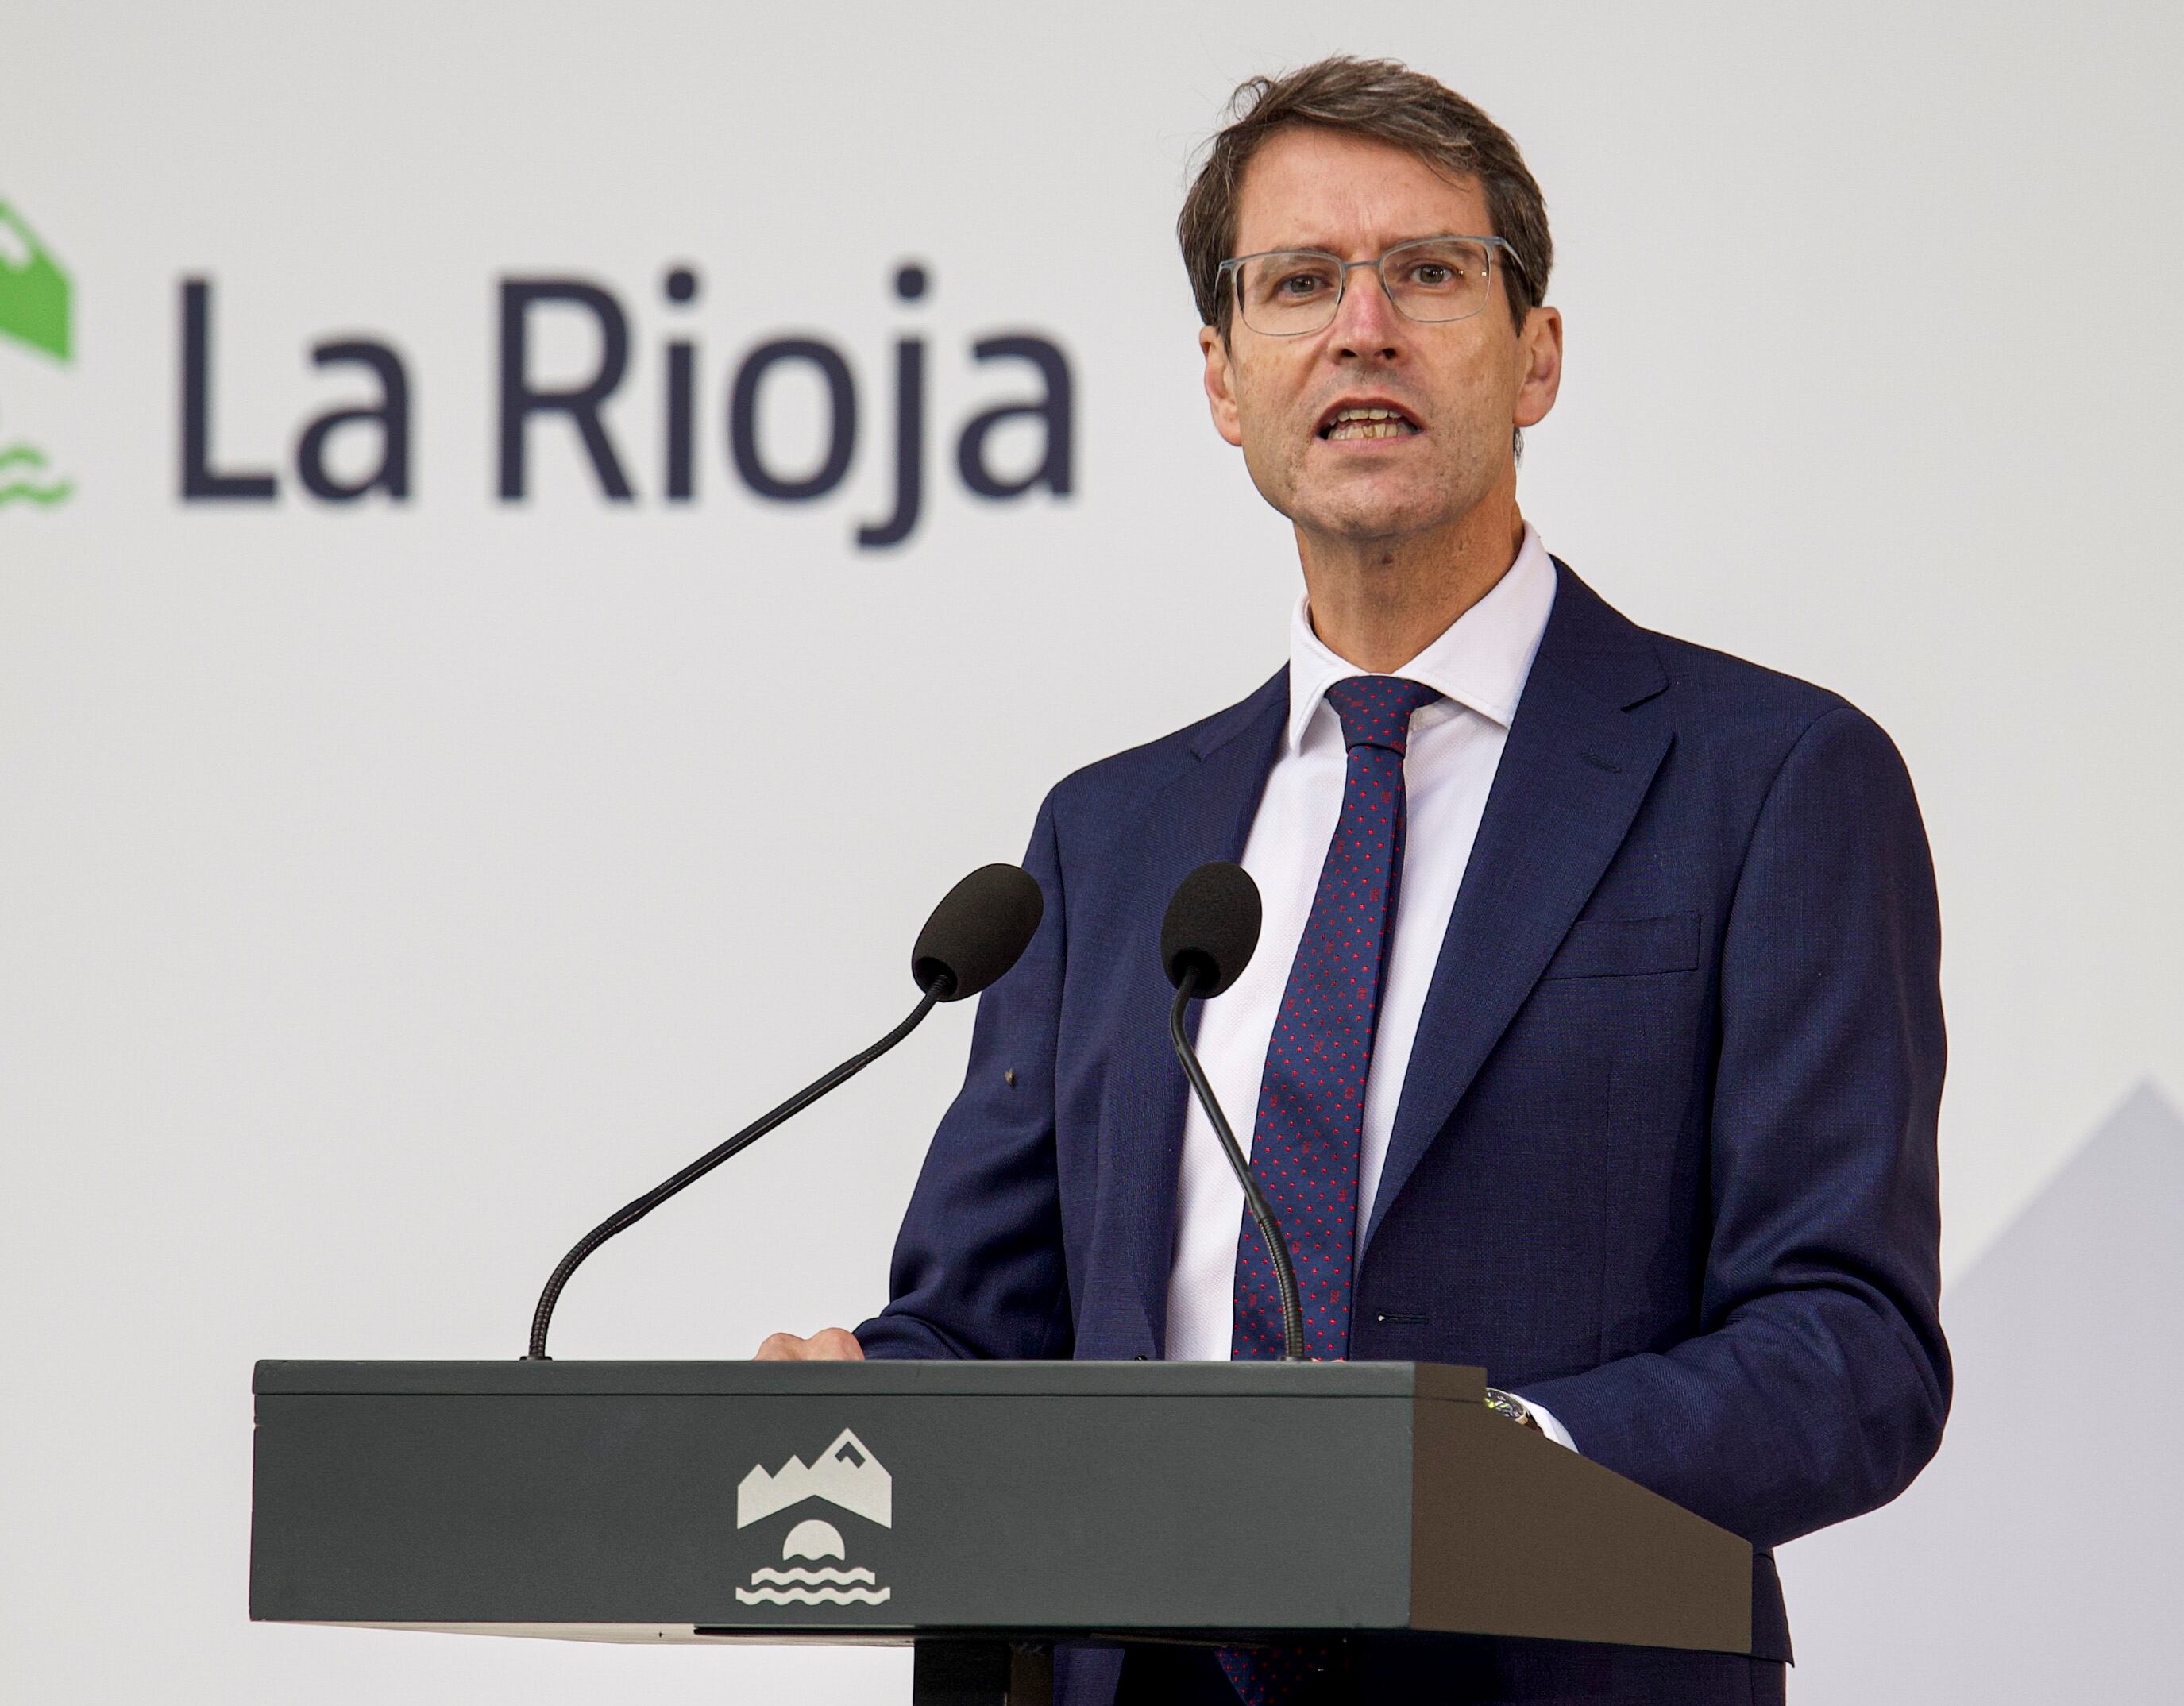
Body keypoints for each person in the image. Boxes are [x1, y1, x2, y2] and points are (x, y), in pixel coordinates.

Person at [758, 55, 1947, 1706]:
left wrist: (1501, 1467)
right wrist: (864, 1399)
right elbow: (987, 1329)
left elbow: (1851, 1352)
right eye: (1300, 283)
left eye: (1430, 274)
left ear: (1534, 356)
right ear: (1225, 378)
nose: (1363, 328)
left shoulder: (1769, 781)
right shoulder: (1109, 845)